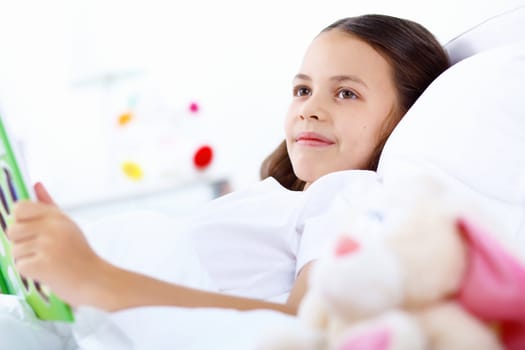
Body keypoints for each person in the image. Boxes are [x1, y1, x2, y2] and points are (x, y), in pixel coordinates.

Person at [7, 14, 450, 316]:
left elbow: (305, 322)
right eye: (302, 90)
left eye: (346, 93)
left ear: (408, 119)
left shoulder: (350, 195)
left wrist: (96, 278)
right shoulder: (287, 200)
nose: (309, 110)